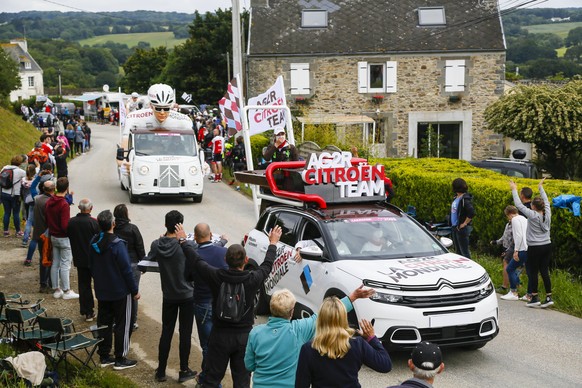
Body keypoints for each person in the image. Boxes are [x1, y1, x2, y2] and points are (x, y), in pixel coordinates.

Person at [179, 224, 283, 388]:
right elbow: (267, 265)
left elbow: (197, 260)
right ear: (246, 261)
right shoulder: (252, 279)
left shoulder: (216, 276)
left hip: (219, 335)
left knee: (211, 380)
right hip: (243, 338)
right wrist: (273, 243)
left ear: (225, 260)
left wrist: (184, 241)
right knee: (242, 382)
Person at [245, 286, 374, 388]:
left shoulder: (255, 333)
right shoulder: (299, 329)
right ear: (291, 312)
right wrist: (352, 297)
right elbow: (325, 314)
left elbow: (249, 365)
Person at [144, 210, 197, 383]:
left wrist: (163, 239)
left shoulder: (156, 244)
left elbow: (148, 258)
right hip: (187, 295)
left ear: (165, 224)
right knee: (185, 333)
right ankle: (183, 370)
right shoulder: (187, 245)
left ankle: (161, 371)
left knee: (166, 332)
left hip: (169, 295)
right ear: (180, 226)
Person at [295, 297, 392, 387]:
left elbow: (301, 385)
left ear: (321, 320)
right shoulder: (357, 344)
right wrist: (372, 338)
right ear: (344, 318)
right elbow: (385, 365)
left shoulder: (308, 349)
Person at [89, 209, 140, 370]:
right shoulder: (117, 244)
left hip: (102, 289)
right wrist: (134, 290)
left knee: (104, 322)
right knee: (123, 324)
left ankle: (104, 355)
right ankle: (120, 357)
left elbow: (91, 265)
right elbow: (126, 270)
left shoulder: (93, 243)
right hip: (120, 291)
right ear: (113, 224)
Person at [191, 222, 228, 386]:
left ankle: (212, 381)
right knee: (218, 344)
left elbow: (187, 276)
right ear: (211, 235)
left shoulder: (195, 255)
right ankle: (207, 377)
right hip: (220, 303)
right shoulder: (223, 252)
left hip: (202, 302)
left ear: (196, 238)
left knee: (207, 344)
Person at [511, 179, 553, 308]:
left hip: (535, 247)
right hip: (547, 245)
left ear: (533, 207)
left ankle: (534, 297)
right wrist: (540, 187)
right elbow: (546, 201)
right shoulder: (548, 213)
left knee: (533, 272)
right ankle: (549, 297)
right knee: (544, 271)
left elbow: (518, 205)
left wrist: (514, 188)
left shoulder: (532, 215)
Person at [45, 177, 79, 300]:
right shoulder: (63, 204)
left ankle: (56, 289)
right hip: (63, 237)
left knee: (55, 263)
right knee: (65, 264)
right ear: (67, 188)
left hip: (53, 235)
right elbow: (65, 225)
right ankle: (67, 291)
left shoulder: (50, 201)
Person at [113, 204, 145, 330]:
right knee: (134, 292)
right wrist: (143, 264)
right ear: (126, 214)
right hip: (133, 263)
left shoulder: (113, 228)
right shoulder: (132, 228)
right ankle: (132, 321)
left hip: (116, 264)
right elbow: (140, 246)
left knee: (118, 291)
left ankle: (117, 319)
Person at [67, 198, 99, 321]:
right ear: (91, 208)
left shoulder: (71, 222)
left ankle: (87, 311)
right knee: (99, 284)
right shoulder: (94, 223)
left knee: (84, 285)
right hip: (94, 260)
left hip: (80, 258)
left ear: (79, 208)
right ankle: (103, 308)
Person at [500, 205, 528, 301]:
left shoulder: (515, 220)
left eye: (507, 216)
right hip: (528, 248)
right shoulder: (524, 218)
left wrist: (516, 250)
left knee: (510, 268)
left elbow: (518, 236)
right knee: (528, 271)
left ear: (509, 214)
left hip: (521, 248)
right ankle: (529, 294)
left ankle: (513, 292)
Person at [32, 179, 54, 293]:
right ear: (53, 189)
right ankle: (49, 283)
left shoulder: (37, 199)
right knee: (50, 259)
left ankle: (43, 283)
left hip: (38, 233)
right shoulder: (51, 202)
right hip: (48, 234)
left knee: (42, 258)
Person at [2, 155, 27, 237]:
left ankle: (5, 231)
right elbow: (28, 176)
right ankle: (18, 231)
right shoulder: (20, 171)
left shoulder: (4, 168)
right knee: (16, 213)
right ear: (19, 163)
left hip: (4, 193)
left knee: (7, 212)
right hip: (15, 194)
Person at [450, 178, 475, 259]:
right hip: (455, 227)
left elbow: (471, 212)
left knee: (464, 252)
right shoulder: (456, 197)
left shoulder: (464, 199)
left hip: (461, 228)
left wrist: (464, 223)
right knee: (458, 251)